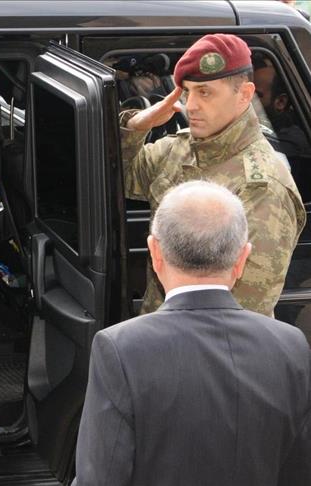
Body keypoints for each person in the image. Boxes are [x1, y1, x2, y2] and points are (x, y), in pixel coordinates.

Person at [74, 180, 311, 486]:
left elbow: (100, 477)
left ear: (155, 252)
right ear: (242, 259)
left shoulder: (120, 349)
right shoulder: (290, 345)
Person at [121, 33, 305, 317]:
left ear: (244, 95)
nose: (191, 105)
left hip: (204, 341)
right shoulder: (181, 148)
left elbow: (240, 314)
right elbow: (122, 178)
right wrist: (135, 126)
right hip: (158, 328)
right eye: (187, 91)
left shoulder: (263, 186)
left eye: (204, 92)